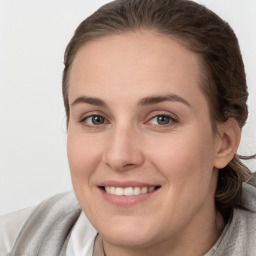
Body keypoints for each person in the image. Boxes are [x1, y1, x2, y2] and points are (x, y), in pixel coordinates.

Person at [1, 0, 256, 255]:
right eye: (95, 119)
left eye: (161, 119)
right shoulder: (10, 244)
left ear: (224, 142)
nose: (119, 156)